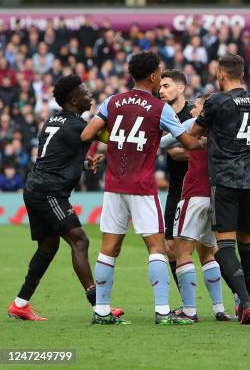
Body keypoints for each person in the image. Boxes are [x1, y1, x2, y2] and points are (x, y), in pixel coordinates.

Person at [81, 51, 203, 325]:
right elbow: (188, 141)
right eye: (160, 74)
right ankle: (162, 311)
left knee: (108, 248)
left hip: (113, 185)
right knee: (157, 247)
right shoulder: (161, 109)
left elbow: (87, 134)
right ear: (152, 76)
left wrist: (114, 139)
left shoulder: (113, 101)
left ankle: (101, 310)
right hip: (142, 186)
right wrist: (207, 142)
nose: (161, 79)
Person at [8, 75, 120, 321]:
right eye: (85, 93)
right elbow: (112, 138)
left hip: (35, 187)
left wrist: (84, 160)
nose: (90, 95)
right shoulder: (79, 126)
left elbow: (57, 152)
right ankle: (98, 304)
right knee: (79, 240)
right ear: (73, 100)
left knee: (49, 246)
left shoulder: (52, 120)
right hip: (49, 192)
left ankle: (20, 303)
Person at [188, 53, 250, 325]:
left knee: (225, 246)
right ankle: (246, 304)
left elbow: (194, 134)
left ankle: (244, 301)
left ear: (220, 74)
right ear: (242, 74)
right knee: (248, 246)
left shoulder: (216, 101)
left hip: (226, 179)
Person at [159, 95, 231, 322]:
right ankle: (219, 308)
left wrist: (188, 142)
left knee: (183, 251)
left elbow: (164, 143)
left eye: (196, 106)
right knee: (208, 252)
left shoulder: (195, 125)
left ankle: (189, 310)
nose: (192, 110)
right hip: (215, 195)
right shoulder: (227, 126)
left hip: (193, 194)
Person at [158, 70, 193, 288]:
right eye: (160, 87)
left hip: (200, 186)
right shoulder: (161, 114)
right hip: (175, 187)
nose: (161, 91)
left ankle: (239, 299)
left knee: (212, 248)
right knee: (170, 246)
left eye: (166, 86)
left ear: (181, 88)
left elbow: (193, 151)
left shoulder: (195, 112)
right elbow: (173, 152)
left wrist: (187, 149)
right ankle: (186, 301)